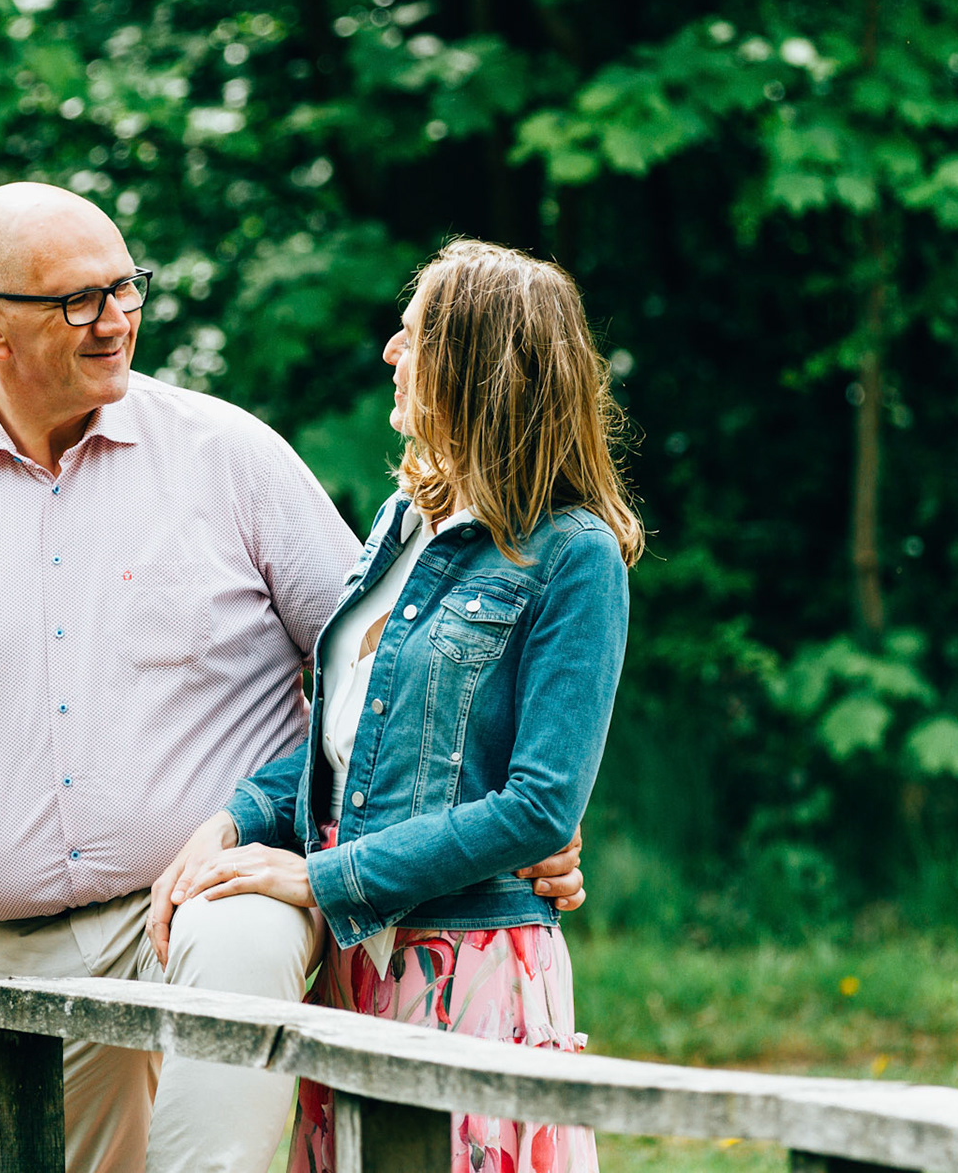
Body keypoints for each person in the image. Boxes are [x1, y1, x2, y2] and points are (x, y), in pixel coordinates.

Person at [0, 184, 588, 1173]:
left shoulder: (230, 456)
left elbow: (384, 679)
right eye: (78, 301)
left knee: (242, 941)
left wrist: (514, 806)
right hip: (9, 937)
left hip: (223, 884)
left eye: (126, 287)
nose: (115, 318)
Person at [150, 239, 640, 1173]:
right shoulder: (401, 523)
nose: (389, 352)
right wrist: (238, 817)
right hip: (355, 960)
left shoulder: (574, 554)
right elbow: (349, 744)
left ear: (475, 365)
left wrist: (318, 880)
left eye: (413, 336)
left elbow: (541, 808)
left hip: (468, 962)